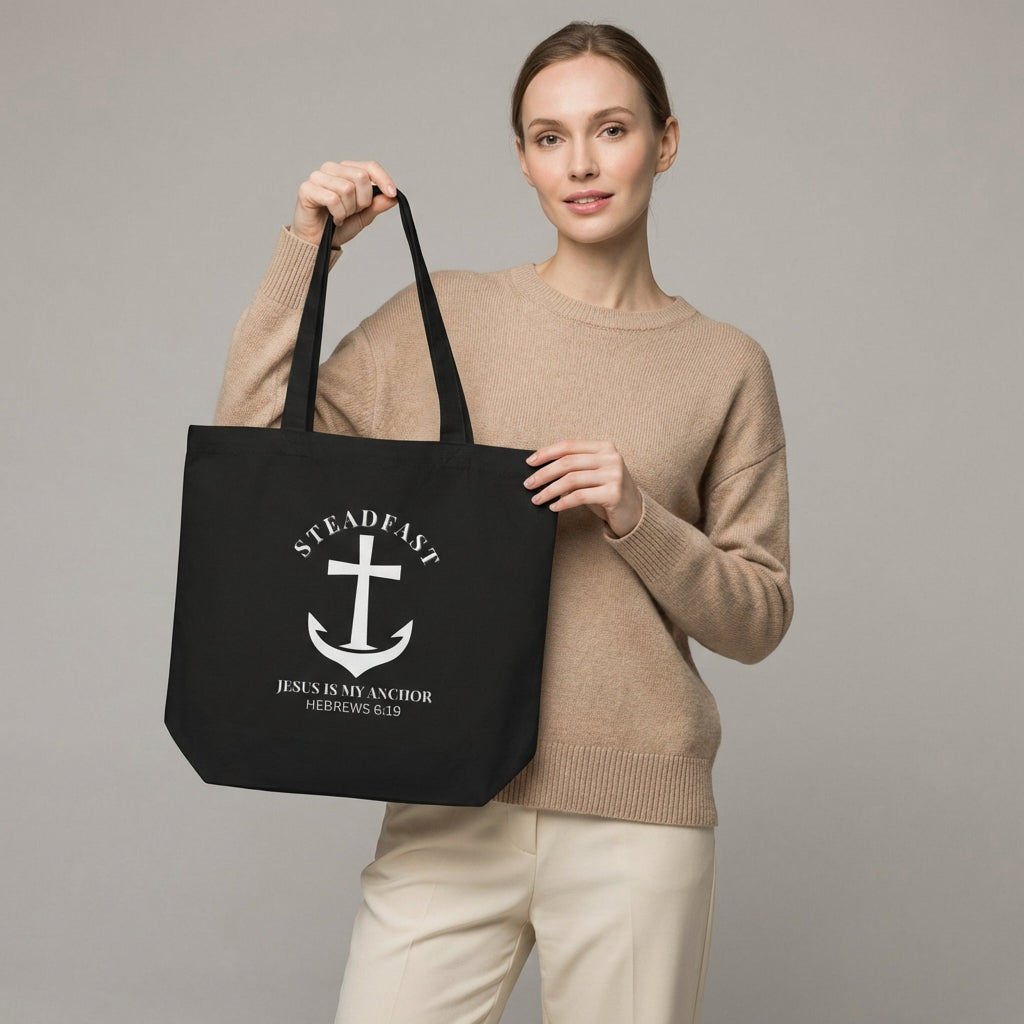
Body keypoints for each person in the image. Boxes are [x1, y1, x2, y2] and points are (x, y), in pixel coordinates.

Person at [215, 21, 793, 1024]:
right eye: (547, 135)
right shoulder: (447, 316)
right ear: (521, 157)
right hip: (451, 797)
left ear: (663, 140)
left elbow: (757, 618)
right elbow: (258, 452)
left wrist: (636, 515)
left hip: (636, 822)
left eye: (609, 129)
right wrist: (303, 254)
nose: (580, 162)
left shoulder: (725, 364)